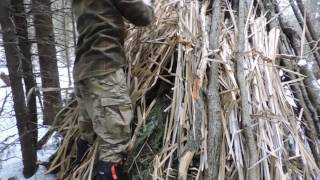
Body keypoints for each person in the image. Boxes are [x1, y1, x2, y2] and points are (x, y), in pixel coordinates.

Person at [71, 0, 154, 179]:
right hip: (104, 68)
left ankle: (81, 173)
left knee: (89, 135)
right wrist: (149, 4)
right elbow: (143, 16)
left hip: (83, 70)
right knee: (115, 144)